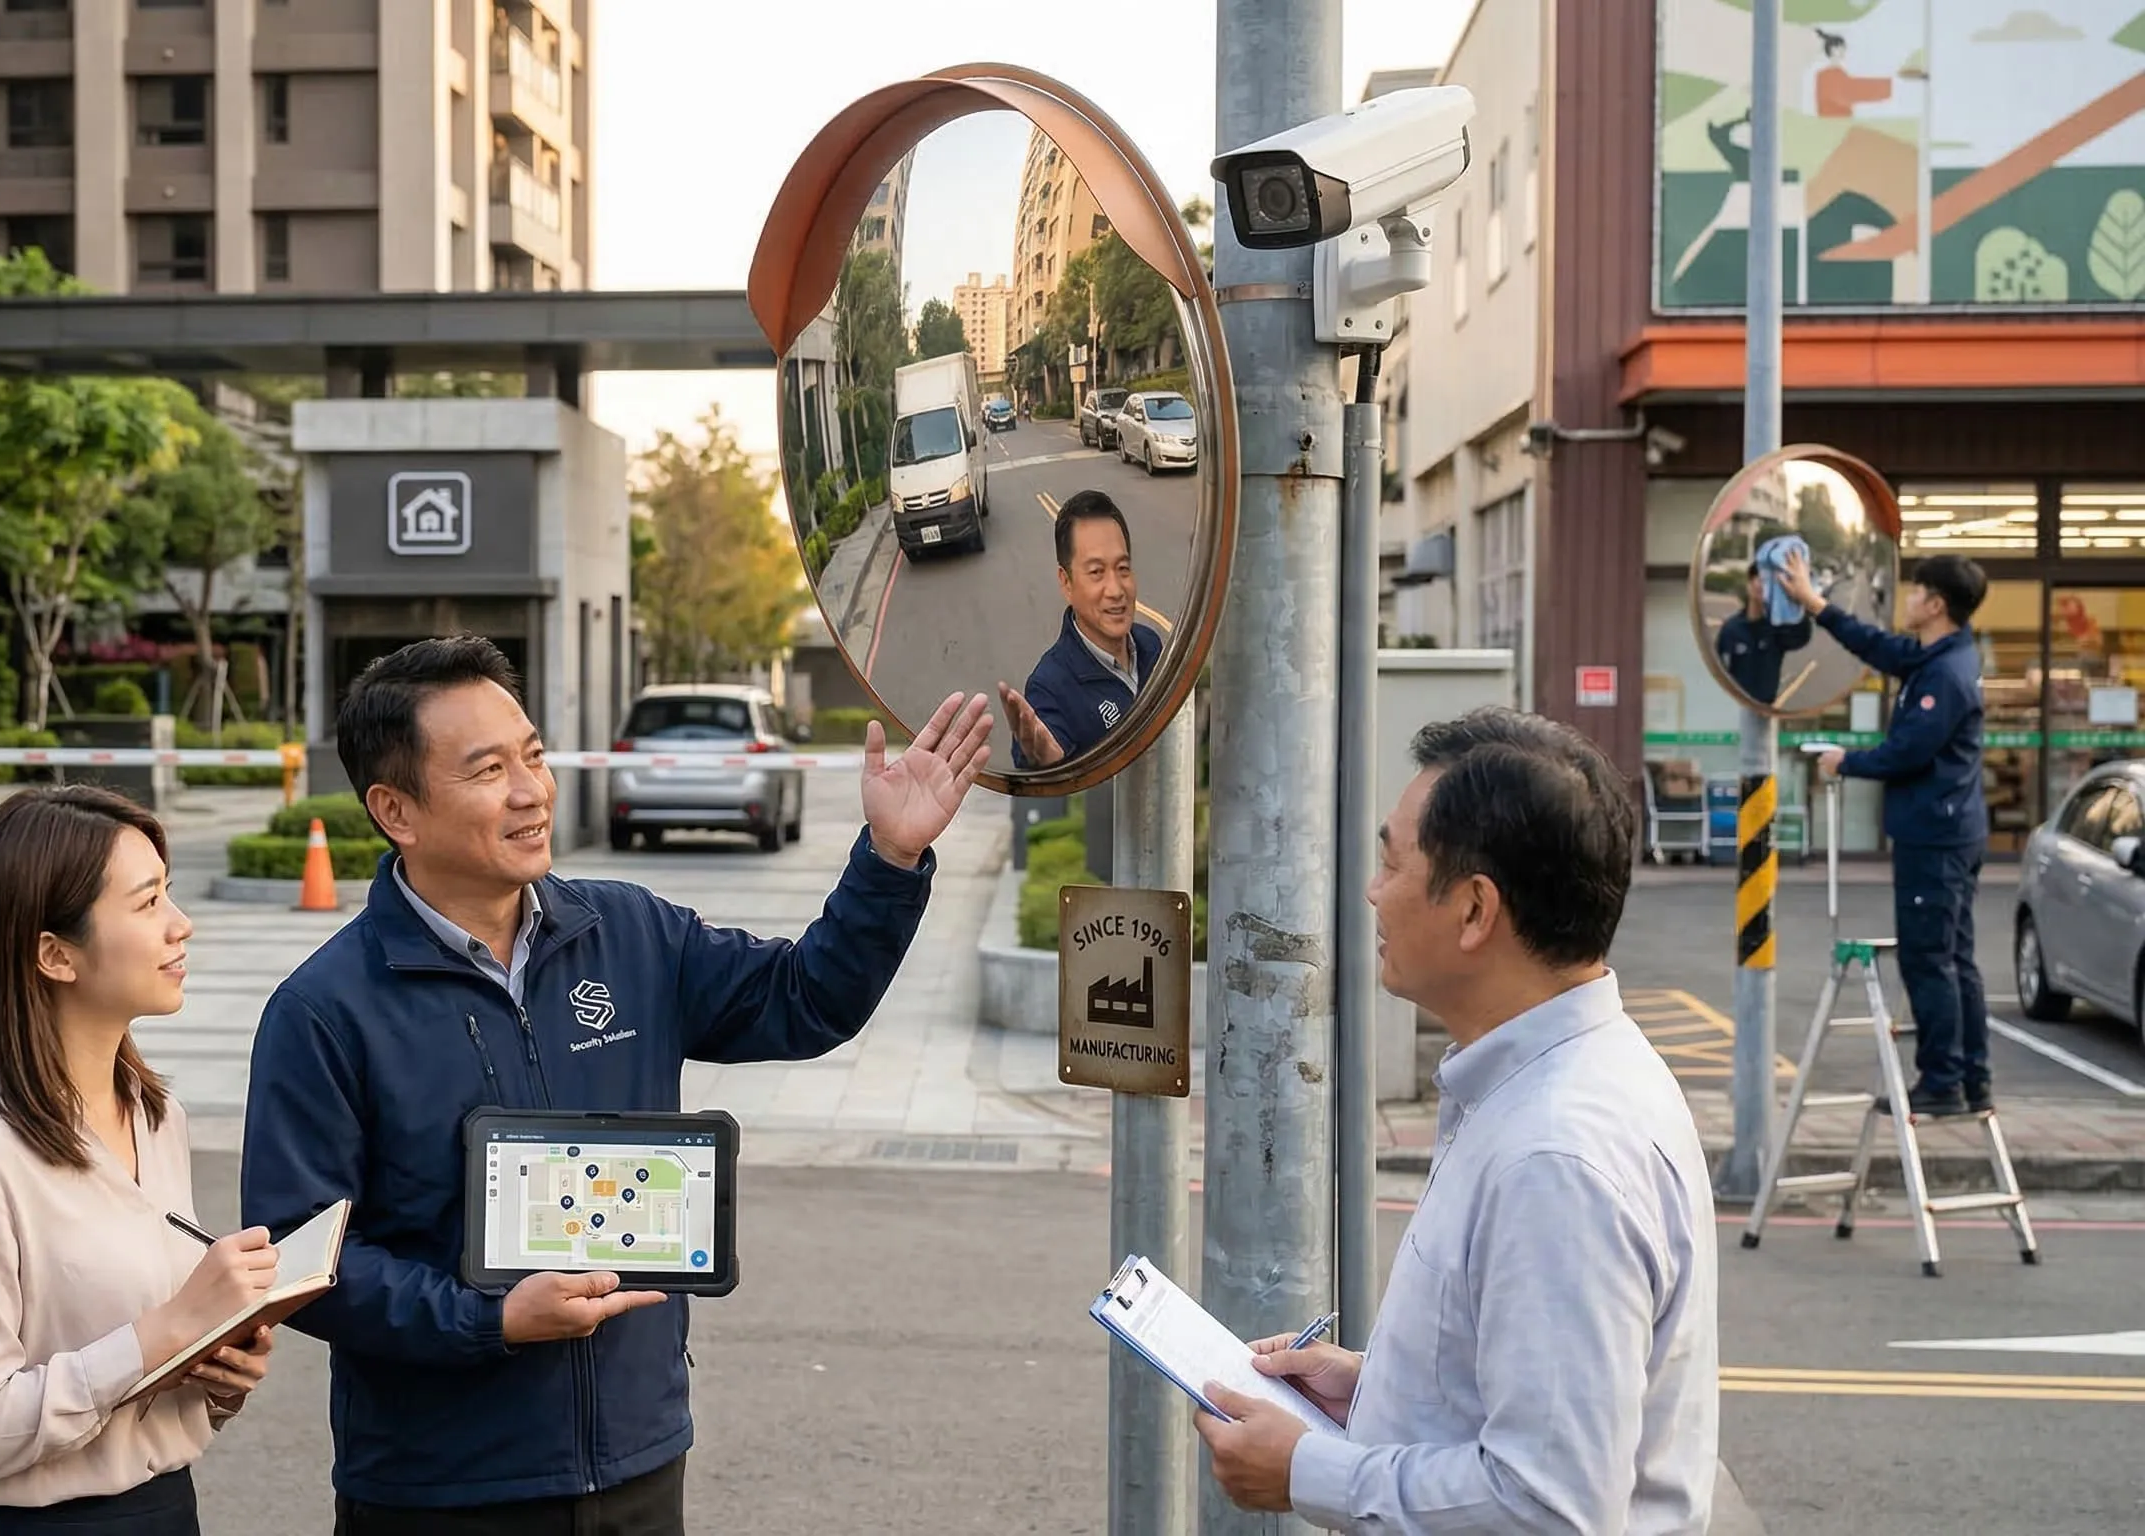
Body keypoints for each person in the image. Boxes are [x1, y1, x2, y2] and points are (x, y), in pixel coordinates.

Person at [241, 635, 991, 1535]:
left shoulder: (631, 933)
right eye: (487, 771)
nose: (531, 792)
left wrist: (889, 858)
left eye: (533, 755)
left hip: (636, 1464)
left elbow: (805, 1001)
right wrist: (490, 1320)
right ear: (396, 810)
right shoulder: (324, 1010)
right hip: (440, 1491)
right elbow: (299, 1262)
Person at [1193, 708, 1719, 1534]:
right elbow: (1527, 1395)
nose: (1372, 890)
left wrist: (1308, 1471)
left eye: (1393, 861)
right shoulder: (1557, 1083)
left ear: (1475, 910)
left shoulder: (1556, 1155)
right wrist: (1379, 1385)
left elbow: (1548, 1506)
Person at [0, 786, 282, 1536]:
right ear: (54, 954)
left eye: (168, 894)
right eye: (147, 904)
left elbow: (149, 1362)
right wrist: (166, 1331)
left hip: (168, 1509)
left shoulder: (155, 1114)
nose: (181, 924)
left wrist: (216, 1368)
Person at [1779, 549, 1992, 1115]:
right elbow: (1875, 645)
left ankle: (1942, 1083)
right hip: (1951, 831)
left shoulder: (1943, 675)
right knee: (1956, 958)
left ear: (1936, 604)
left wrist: (1844, 761)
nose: (1908, 599)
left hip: (1935, 838)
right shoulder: (1939, 655)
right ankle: (1972, 1078)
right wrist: (1814, 601)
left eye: (1916, 591)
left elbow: (1908, 752)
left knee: (1929, 959)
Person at [1001, 490, 1165, 768]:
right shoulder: (1050, 685)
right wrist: (1043, 761)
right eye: (1096, 572)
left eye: (1123, 568)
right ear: (1066, 583)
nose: (1116, 590)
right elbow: (1042, 744)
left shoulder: (1150, 646)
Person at [1715, 571, 1814, 707]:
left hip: (1766, 708)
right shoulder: (1731, 629)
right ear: (1749, 585)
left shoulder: (1776, 627)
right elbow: (1718, 668)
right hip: (1734, 707)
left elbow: (1801, 638)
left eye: (1769, 583)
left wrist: (1797, 601)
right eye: (1759, 580)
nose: (1762, 586)